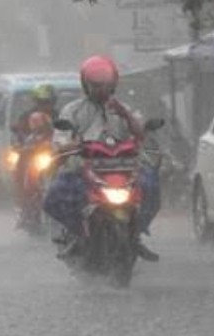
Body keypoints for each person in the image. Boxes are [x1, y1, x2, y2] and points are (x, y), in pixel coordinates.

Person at [43, 56, 161, 262]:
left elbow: (140, 134)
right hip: (85, 170)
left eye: (106, 86)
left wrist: (125, 115)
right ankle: (77, 236)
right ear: (86, 85)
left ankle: (137, 235)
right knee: (56, 195)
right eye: (96, 86)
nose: (101, 90)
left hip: (123, 169)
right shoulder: (72, 110)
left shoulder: (123, 108)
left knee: (150, 184)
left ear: (114, 85)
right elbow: (60, 142)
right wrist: (75, 146)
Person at [10, 84, 59, 218]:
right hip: (33, 153)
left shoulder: (60, 116)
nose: (45, 105)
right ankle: (24, 205)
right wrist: (22, 144)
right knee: (20, 169)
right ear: (36, 102)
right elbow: (19, 133)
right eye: (41, 102)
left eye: (48, 102)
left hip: (54, 154)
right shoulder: (27, 117)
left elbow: (68, 131)